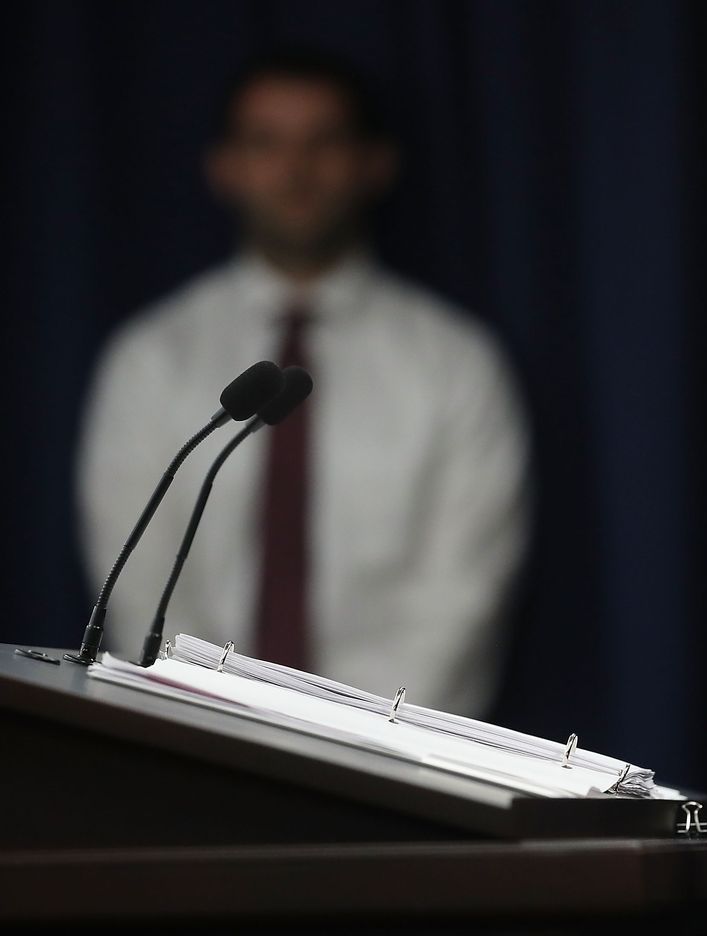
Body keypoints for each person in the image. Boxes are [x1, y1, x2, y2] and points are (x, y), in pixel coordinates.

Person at [78, 50, 530, 717]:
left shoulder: (457, 363)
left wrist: (349, 746)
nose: (296, 171)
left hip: (397, 771)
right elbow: (138, 581)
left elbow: (462, 598)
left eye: (323, 143)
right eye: (267, 144)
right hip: (189, 752)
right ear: (224, 168)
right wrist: (210, 731)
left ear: (375, 163)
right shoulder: (149, 358)